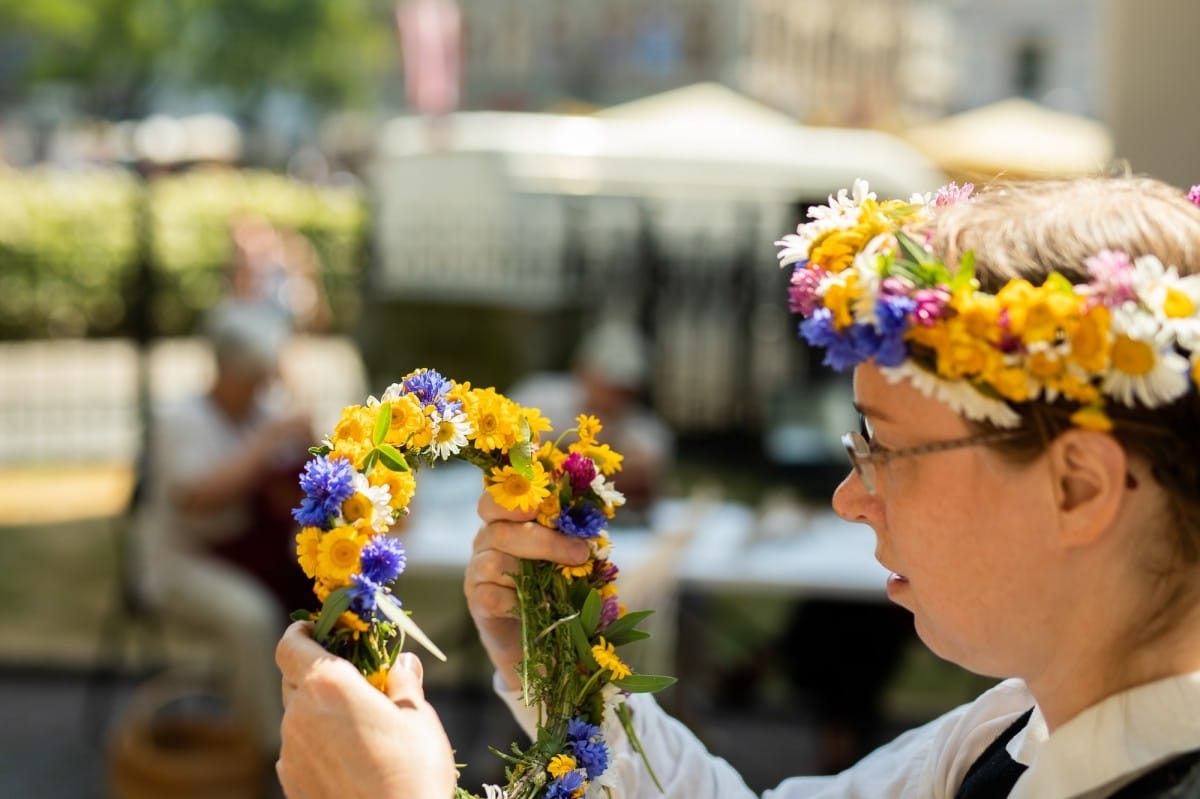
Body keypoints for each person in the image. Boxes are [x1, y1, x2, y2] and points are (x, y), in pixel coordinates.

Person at [276, 175, 1200, 798]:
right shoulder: (1013, 731)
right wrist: (560, 678)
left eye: (883, 447)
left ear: (1079, 485)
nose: (850, 494)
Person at [136, 299, 314, 757]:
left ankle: (319, 721)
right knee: (251, 616)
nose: (261, 387)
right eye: (255, 377)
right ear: (229, 371)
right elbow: (199, 497)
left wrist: (312, 441)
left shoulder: (260, 413)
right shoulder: (181, 420)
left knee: (328, 596)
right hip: (184, 564)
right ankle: (271, 749)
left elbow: (292, 488)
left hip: (247, 556)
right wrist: (268, 442)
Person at [507, 317, 676, 518]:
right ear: (583, 369)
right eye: (607, 381)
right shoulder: (538, 397)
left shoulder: (646, 431)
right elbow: (508, 451)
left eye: (623, 387)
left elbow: (645, 484)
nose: (613, 394)